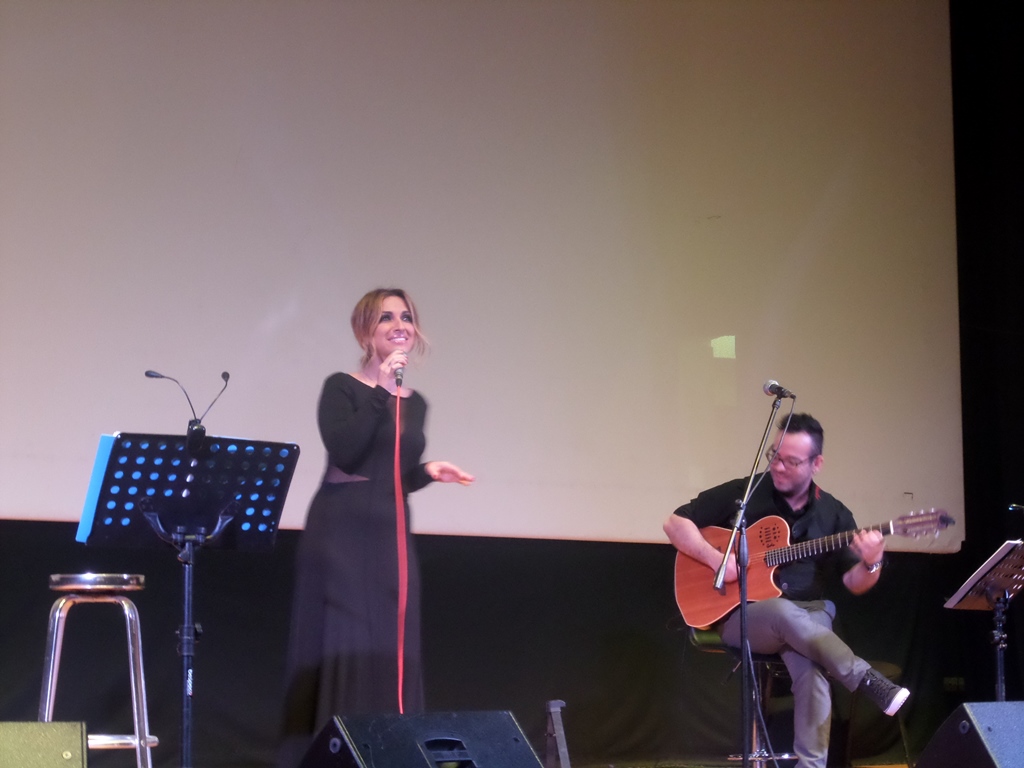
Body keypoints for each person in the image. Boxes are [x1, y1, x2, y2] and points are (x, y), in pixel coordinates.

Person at [277, 288, 474, 767]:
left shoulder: (417, 402)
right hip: (340, 532)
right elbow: (347, 453)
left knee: (391, 642)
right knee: (347, 642)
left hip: (389, 534)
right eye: (386, 317)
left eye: (406, 317)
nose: (399, 325)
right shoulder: (341, 387)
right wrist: (382, 389)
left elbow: (391, 474)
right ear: (366, 330)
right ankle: (335, 754)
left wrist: (426, 472)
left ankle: (391, 752)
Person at [663, 413, 908, 768]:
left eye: (790, 461)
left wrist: (872, 562)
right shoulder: (746, 493)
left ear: (816, 464)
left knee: (813, 670)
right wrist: (718, 560)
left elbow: (854, 583)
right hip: (747, 616)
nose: (778, 467)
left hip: (810, 614)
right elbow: (675, 522)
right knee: (781, 611)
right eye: (774, 456)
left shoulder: (834, 514)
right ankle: (865, 678)